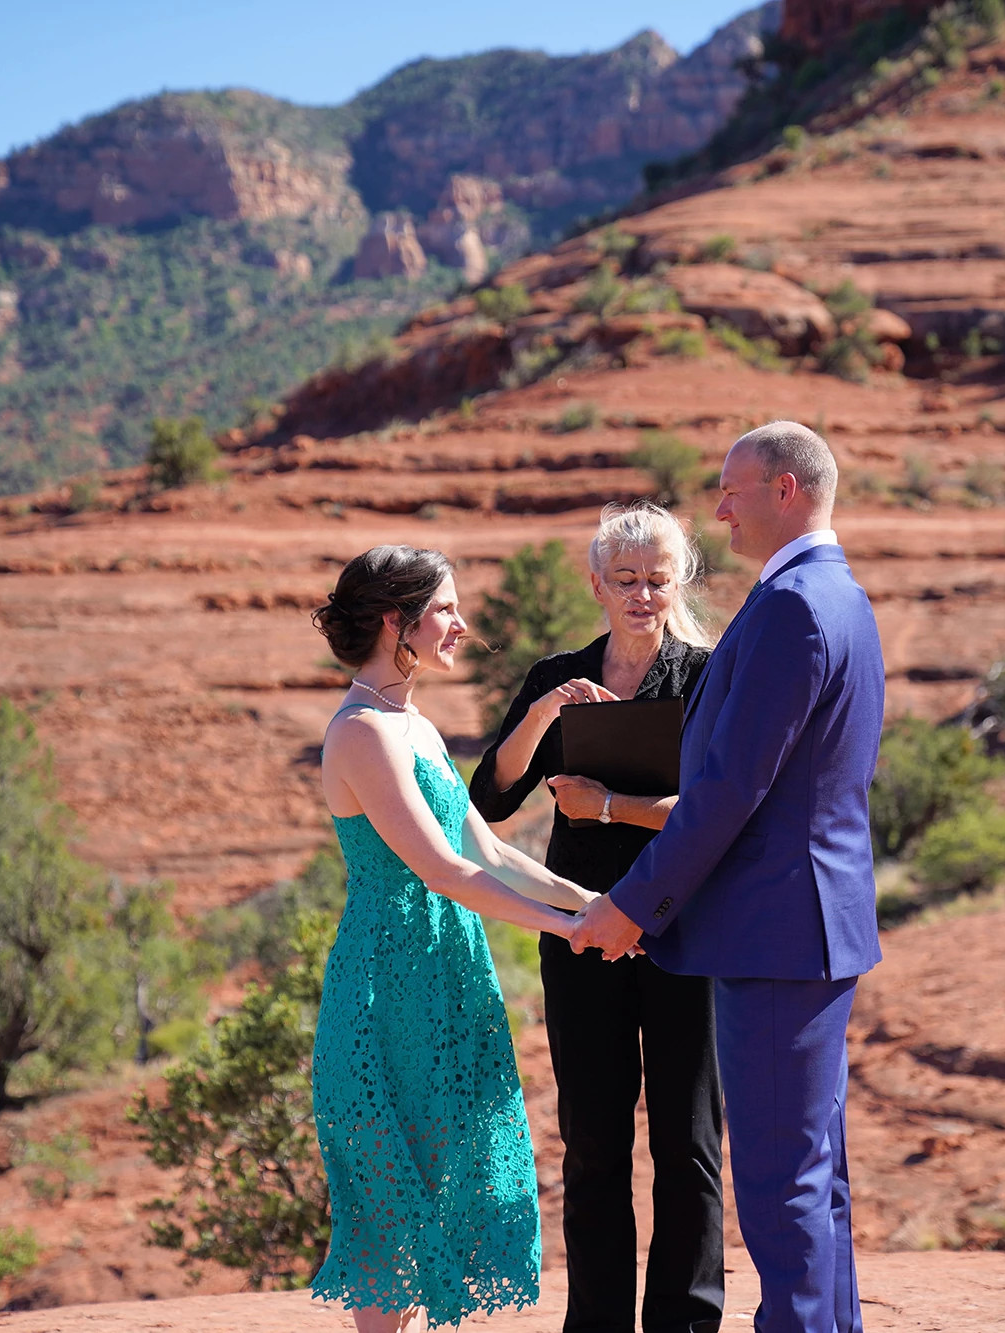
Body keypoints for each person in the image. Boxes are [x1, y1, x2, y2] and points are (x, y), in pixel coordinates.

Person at [569, 424, 886, 1333]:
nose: (717, 508)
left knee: (783, 1189)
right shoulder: (836, 592)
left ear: (785, 489)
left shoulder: (791, 605)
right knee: (815, 1179)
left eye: (730, 489)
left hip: (777, 933)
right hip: (812, 923)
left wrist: (631, 905)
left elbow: (730, 790)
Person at [309, 545, 595, 1333]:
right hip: (386, 981)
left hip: (447, 973)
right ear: (396, 621)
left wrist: (600, 903)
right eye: (446, 609)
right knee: (390, 1200)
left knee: (445, 1178)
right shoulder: (362, 731)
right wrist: (572, 928)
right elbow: (441, 871)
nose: (462, 624)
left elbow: (493, 854)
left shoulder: (416, 726)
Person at [468, 502, 725, 1333]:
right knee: (593, 1142)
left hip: (686, 929)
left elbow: (719, 812)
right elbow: (493, 798)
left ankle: (685, 1320)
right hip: (578, 935)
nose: (642, 594)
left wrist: (610, 806)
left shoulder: (707, 674)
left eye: (656, 578)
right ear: (595, 583)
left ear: (678, 580)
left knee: (687, 1144)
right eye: (625, 579)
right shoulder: (558, 674)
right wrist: (543, 712)